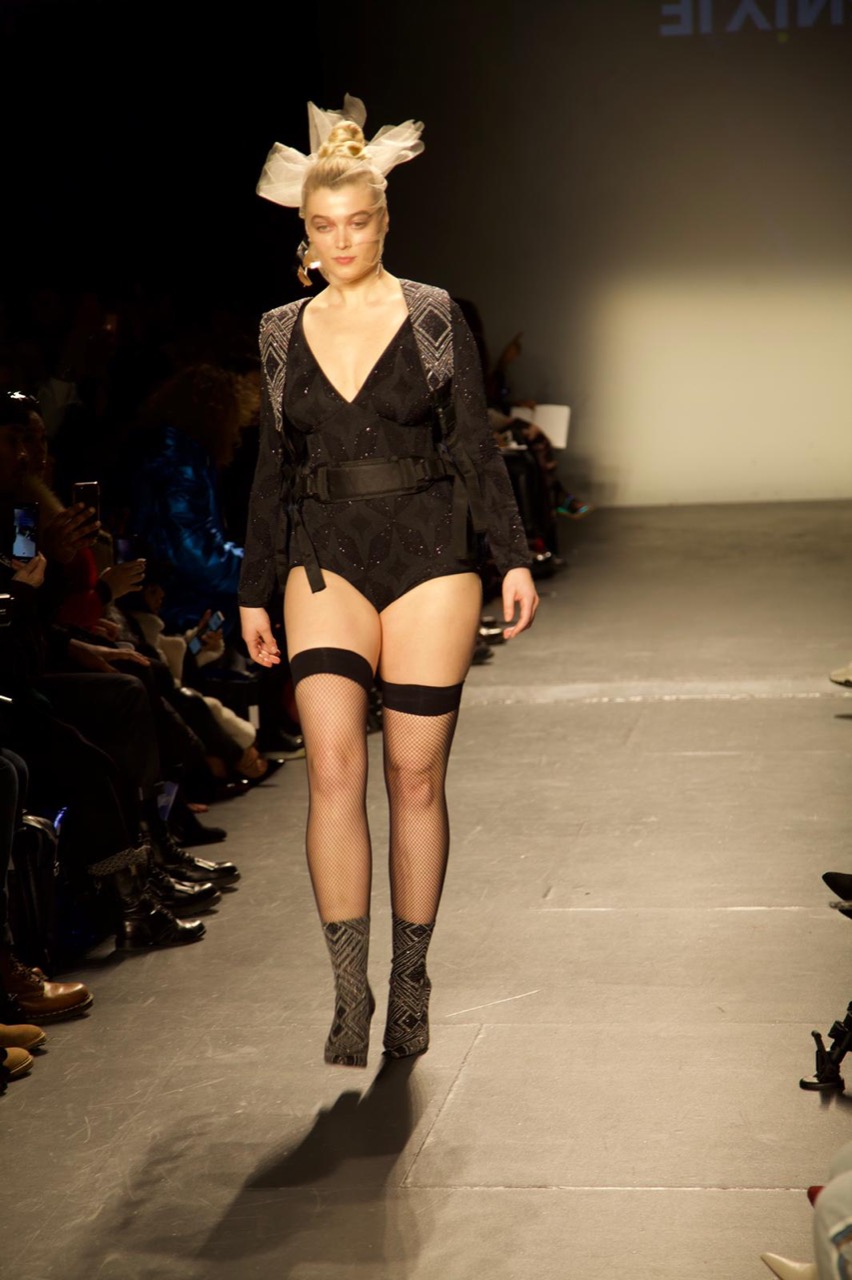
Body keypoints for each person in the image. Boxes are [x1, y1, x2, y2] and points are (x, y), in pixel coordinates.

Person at [239, 95, 538, 1069]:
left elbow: (474, 447)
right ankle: (349, 988)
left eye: (357, 222)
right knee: (332, 768)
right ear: (305, 230)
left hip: (430, 555)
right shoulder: (279, 330)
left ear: (384, 223)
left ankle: (411, 978)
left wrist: (513, 554)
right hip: (322, 554)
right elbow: (272, 466)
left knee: (413, 774)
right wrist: (252, 587)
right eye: (324, 225)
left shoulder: (433, 315)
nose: (342, 241)